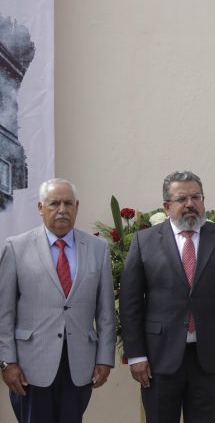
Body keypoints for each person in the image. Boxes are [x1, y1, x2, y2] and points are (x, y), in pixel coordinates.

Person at [119, 171, 215, 423]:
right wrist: (136, 355)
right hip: (159, 359)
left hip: (210, 359)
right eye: (182, 199)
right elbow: (130, 304)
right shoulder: (144, 241)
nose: (190, 204)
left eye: (196, 197)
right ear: (167, 206)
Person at [0, 178, 115, 423]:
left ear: (77, 206)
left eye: (68, 203)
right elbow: (4, 313)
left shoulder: (98, 249)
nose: (62, 209)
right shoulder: (16, 248)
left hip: (79, 365)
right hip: (30, 367)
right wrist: (6, 362)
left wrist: (105, 358)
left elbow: (106, 312)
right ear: (40, 207)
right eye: (54, 203)